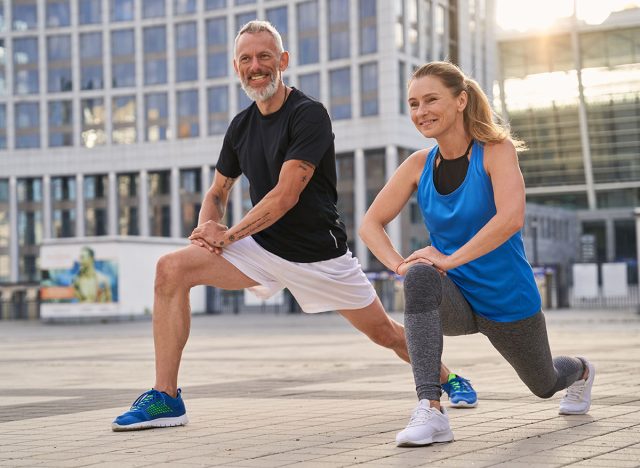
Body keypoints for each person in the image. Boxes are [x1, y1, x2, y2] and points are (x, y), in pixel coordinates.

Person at [111, 22, 475, 432]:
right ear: (237, 68)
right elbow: (217, 191)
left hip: (320, 255)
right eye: (246, 59)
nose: (256, 66)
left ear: (282, 61)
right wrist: (207, 230)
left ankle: (449, 378)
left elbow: (285, 196)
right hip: (261, 250)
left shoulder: (308, 115)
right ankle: (166, 397)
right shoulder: (240, 126)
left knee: (386, 335)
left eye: (265, 56)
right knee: (171, 269)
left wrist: (227, 236)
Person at [359, 61, 595, 447]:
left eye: (431, 99)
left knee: (544, 383)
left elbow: (511, 218)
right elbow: (370, 225)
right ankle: (431, 409)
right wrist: (401, 264)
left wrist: (449, 260)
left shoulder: (495, 152)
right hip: (456, 297)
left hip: (507, 300)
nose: (421, 112)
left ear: (460, 100)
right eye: (414, 103)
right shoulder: (418, 165)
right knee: (418, 276)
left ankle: (582, 371)